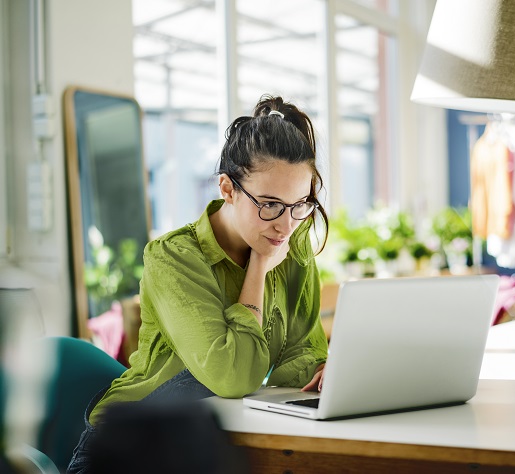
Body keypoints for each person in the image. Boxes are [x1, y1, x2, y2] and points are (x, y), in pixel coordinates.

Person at [67, 95, 329, 473]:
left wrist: (321, 371)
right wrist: (259, 268)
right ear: (227, 189)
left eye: (299, 205)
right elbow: (233, 376)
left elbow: (302, 357)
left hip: (219, 439)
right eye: (269, 204)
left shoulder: (291, 245)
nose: (286, 225)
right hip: (131, 448)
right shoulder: (173, 257)